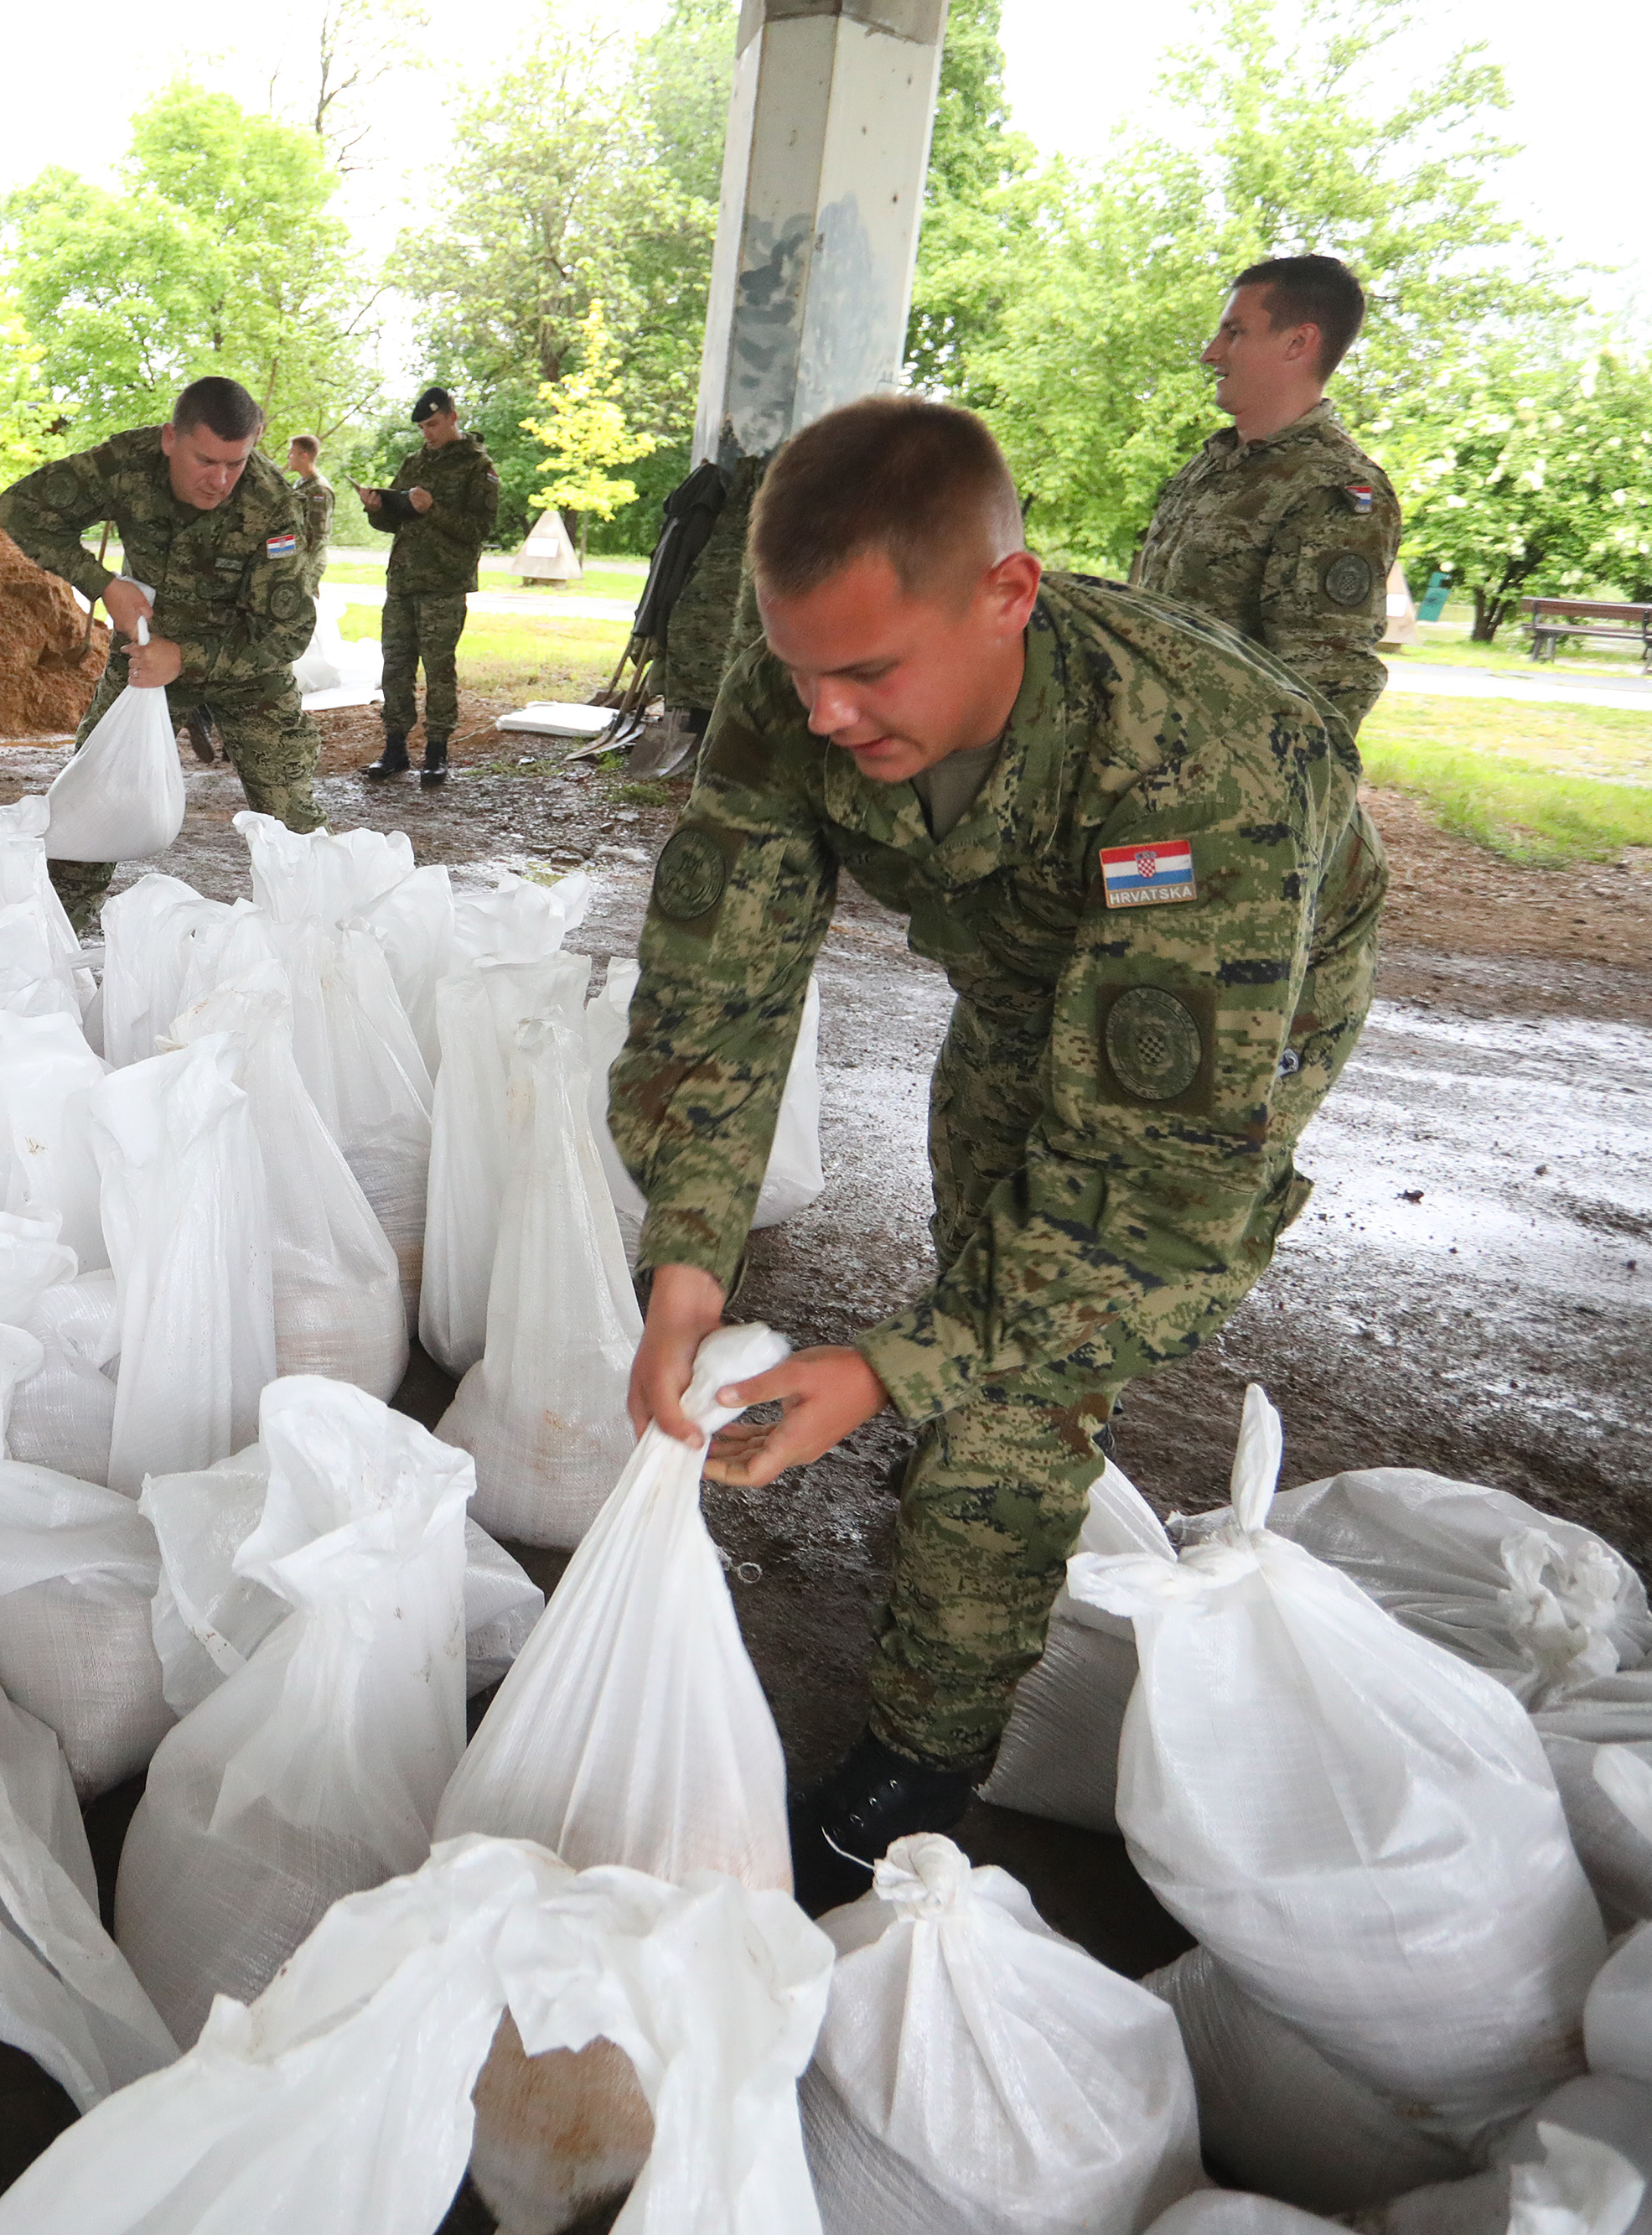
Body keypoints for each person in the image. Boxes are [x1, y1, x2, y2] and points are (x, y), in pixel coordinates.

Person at [608, 397, 1385, 1913]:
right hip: (1024, 986)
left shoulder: (1197, 777)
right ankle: (953, 1463)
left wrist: (894, 1364)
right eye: (801, 670)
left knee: (1027, 1355)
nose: (825, 715)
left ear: (1007, 596)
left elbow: (1140, 1210)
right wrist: (687, 1265)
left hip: (1229, 1000)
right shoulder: (799, 680)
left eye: (869, 674)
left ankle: (922, 1760)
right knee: (981, 1262)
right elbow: (720, 987)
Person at [0, 375, 320, 931]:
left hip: (246, 667)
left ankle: (321, 942)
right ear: (171, 438)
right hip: (145, 657)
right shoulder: (130, 463)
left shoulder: (272, 505)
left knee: (293, 821)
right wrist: (101, 584)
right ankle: (53, 936)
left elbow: (286, 633)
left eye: (236, 463)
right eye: (205, 461)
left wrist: (186, 656)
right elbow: (19, 507)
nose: (220, 481)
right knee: (96, 797)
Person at [1133, 252, 1401, 740]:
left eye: (1234, 333)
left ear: (1298, 342)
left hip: (1222, 776)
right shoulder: (1213, 464)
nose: (1210, 353)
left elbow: (1321, 696)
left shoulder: (1333, 488)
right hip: (1147, 753)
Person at [358, 386, 501, 786]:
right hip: (403, 581)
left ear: (453, 417)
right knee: (395, 665)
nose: (428, 433)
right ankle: (395, 749)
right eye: (422, 427)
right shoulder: (414, 462)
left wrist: (432, 509)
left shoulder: (478, 467)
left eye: (433, 424)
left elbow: (480, 529)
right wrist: (376, 509)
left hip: (444, 584)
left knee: (438, 669)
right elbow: (394, 521)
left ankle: (437, 752)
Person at [285, 433, 334, 597]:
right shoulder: (301, 484)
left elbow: (318, 534)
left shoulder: (318, 490)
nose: (288, 457)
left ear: (304, 456)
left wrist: (303, 566)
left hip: (307, 564)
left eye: (291, 453)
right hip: (296, 559)